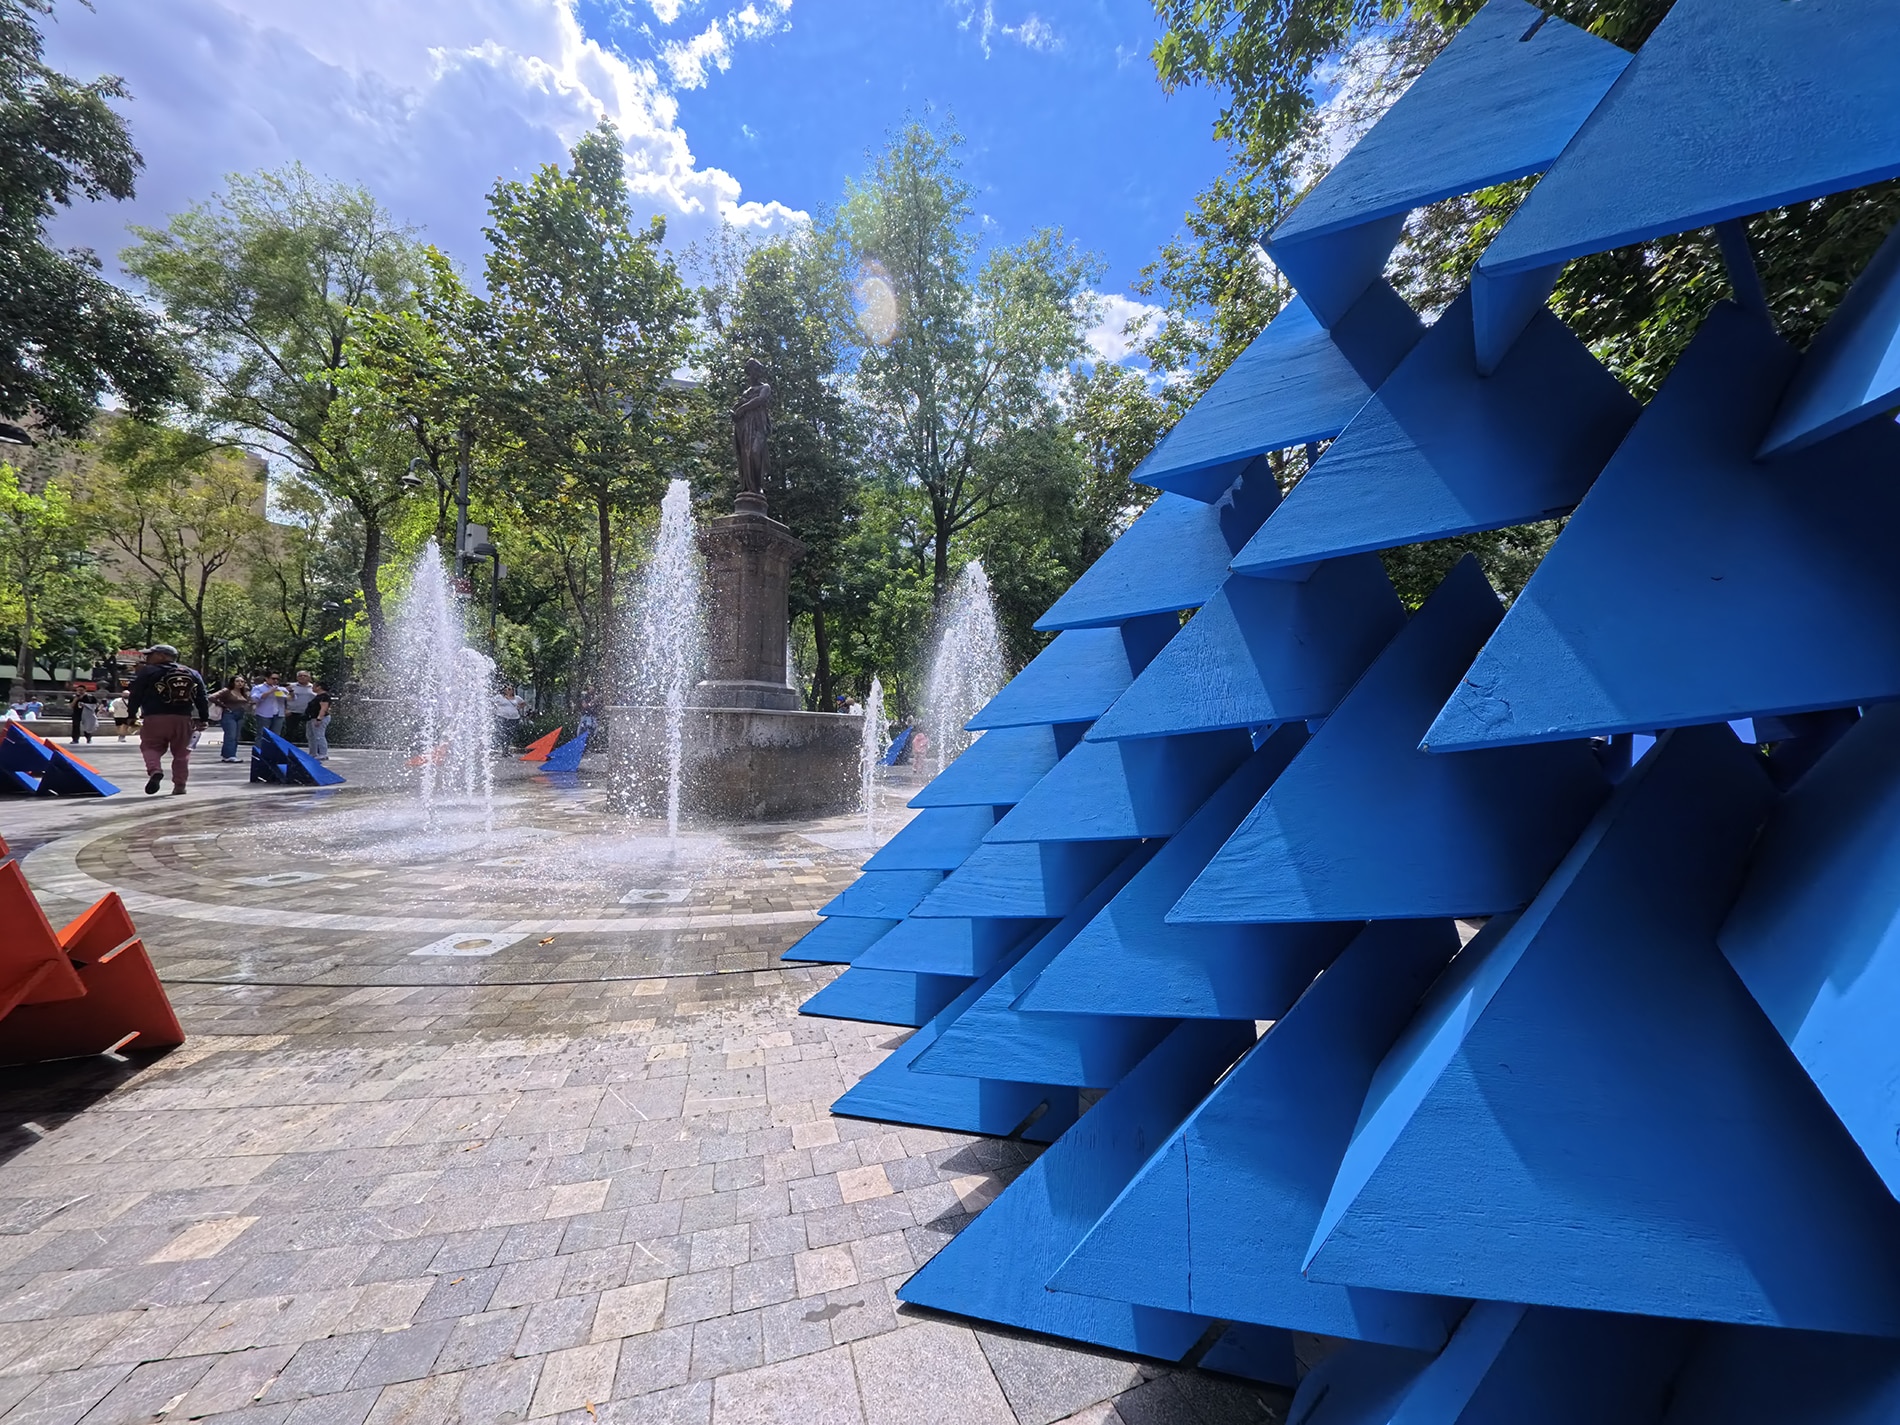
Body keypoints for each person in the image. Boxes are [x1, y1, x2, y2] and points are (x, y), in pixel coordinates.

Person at [125, 644, 209, 795]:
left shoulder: (148, 672)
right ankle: (180, 785)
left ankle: (155, 770)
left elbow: (136, 694)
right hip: (183, 719)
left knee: (150, 747)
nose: (147, 658)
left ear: (162, 656)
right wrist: (204, 718)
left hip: (154, 718)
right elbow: (202, 697)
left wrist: (131, 715)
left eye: (151, 654)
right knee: (182, 753)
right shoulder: (192, 673)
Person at [209, 675, 250, 762]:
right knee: (230, 735)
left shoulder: (244, 692)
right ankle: (230, 755)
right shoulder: (227, 691)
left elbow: (247, 702)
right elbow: (211, 697)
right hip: (229, 715)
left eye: (242, 681)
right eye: (237, 681)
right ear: (232, 682)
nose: (240, 683)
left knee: (236, 736)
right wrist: (224, 706)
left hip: (241, 715)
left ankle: (227, 754)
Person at [251, 672, 289, 737]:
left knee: (276, 736)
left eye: (277, 679)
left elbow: (291, 698)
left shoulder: (281, 689)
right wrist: (269, 692)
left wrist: (291, 692)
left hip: (278, 715)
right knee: (262, 735)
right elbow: (254, 698)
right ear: (266, 678)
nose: (275, 680)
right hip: (264, 715)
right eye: (273, 678)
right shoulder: (258, 687)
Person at [305, 681, 334, 761]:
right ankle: (313, 753)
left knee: (319, 736)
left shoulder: (324, 696)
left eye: (314, 686)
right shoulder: (318, 696)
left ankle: (323, 754)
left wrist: (319, 718)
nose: (312, 688)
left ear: (319, 687)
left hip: (320, 718)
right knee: (311, 736)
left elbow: (323, 708)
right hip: (312, 718)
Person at [491, 682, 526, 747]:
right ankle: (502, 746)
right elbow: (492, 702)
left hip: (514, 718)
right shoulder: (500, 697)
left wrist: (519, 707)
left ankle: (507, 746)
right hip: (502, 717)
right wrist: (495, 709)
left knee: (510, 733)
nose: (509, 690)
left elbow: (523, 703)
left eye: (510, 689)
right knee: (503, 732)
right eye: (507, 689)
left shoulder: (517, 698)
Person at [286, 670, 316, 743]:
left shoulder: (314, 687)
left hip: (308, 713)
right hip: (292, 712)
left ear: (309, 678)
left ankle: (313, 748)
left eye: (305, 676)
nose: (302, 677)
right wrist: (285, 709)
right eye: (300, 676)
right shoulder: (290, 686)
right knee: (290, 732)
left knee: (311, 732)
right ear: (297, 677)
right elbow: (282, 698)